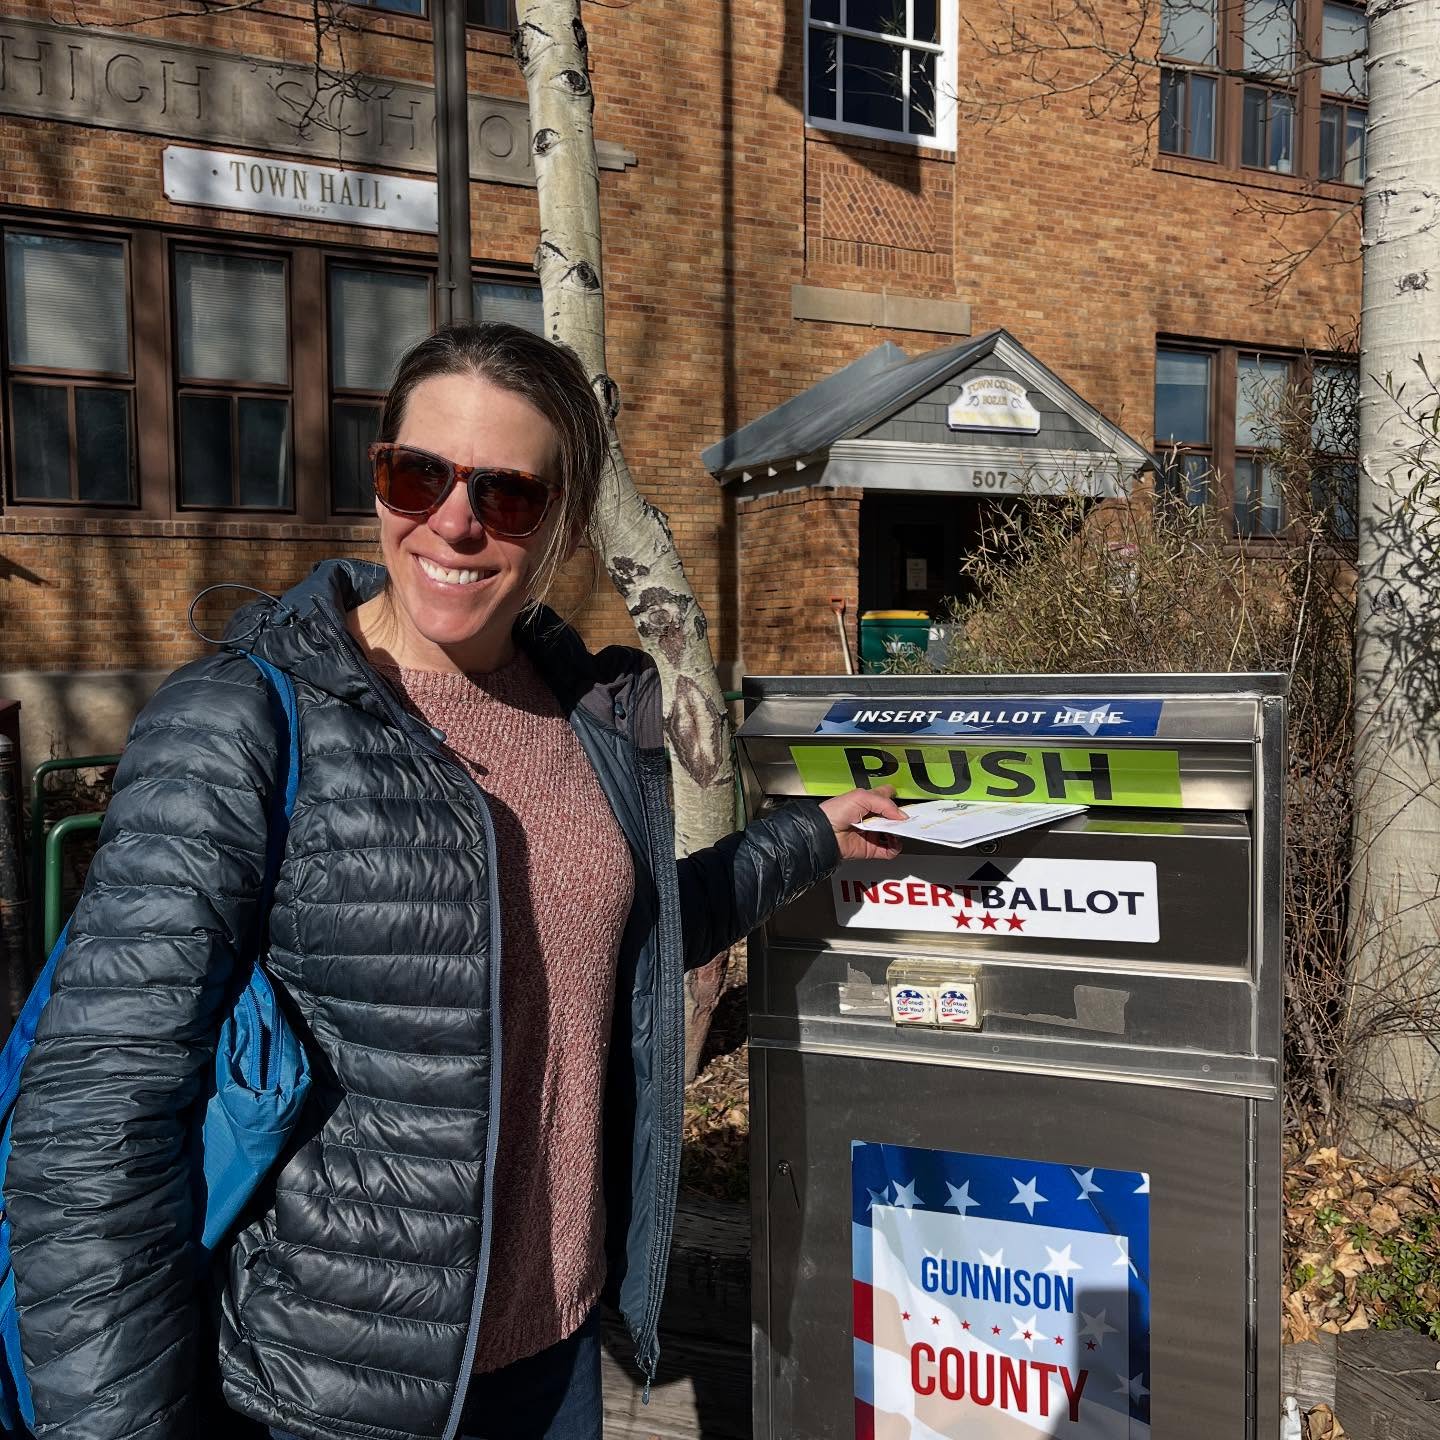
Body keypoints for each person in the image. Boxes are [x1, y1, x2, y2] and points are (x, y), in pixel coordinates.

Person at [7, 321, 904, 1440]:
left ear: (567, 522)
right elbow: (94, 1121)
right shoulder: (245, 724)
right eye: (417, 475)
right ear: (378, 472)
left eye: (508, 494)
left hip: (555, 1365)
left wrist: (809, 837)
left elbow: (607, 936)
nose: (453, 521)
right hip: (324, 1393)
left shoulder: (582, 713)